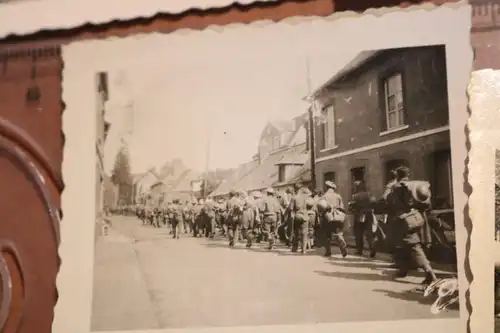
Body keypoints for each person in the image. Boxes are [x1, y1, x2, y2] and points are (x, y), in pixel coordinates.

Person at [386, 166, 438, 287]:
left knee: (413, 246)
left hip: (403, 221)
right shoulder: (415, 187)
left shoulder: (397, 188)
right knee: (402, 244)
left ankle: (430, 273)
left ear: (398, 175)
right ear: (408, 175)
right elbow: (426, 204)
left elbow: (389, 202)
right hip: (415, 219)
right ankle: (403, 269)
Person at [349, 180, 378, 257]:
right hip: (369, 215)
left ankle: (359, 250)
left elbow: (351, 208)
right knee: (370, 233)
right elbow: (374, 204)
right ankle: (372, 249)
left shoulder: (354, 196)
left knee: (358, 234)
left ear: (357, 188)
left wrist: (355, 210)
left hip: (359, 216)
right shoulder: (369, 194)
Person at [318, 181, 347, 258]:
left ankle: (328, 251)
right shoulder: (338, 196)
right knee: (338, 233)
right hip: (337, 216)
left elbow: (320, 208)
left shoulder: (323, 197)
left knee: (326, 235)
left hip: (327, 217)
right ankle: (341, 245)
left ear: (326, 187)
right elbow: (342, 208)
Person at [289, 183, 312, 253]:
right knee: (304, 233)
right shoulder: (306, 197)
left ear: (295, 189)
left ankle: (294, 248)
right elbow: (311, 204)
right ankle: (304, 250)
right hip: (305, 216)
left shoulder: (294, 197)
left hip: (297, 216)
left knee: (296, 233)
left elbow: (291, 208)